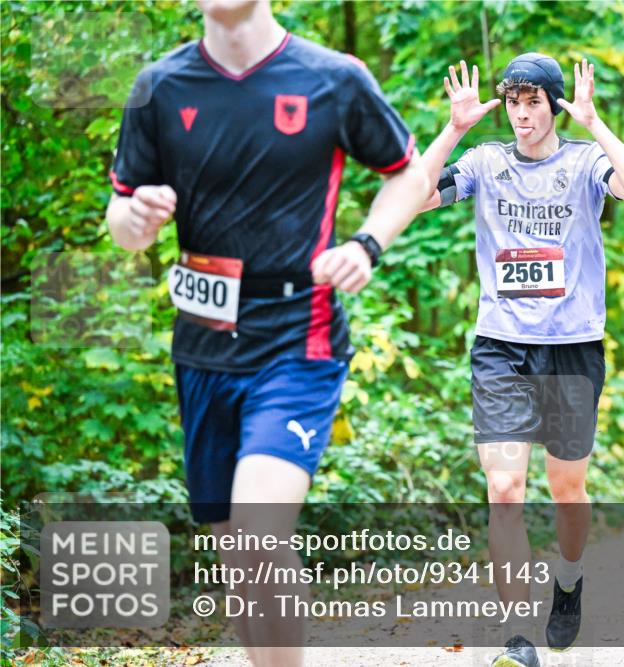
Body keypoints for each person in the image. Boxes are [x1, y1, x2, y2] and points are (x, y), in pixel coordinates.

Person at [105, 2, 428, 665]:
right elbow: (121, 213)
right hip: (202, 340)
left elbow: (409, 172)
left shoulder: (334, 78)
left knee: (257, 534)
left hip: (296, 336)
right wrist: (136, 216)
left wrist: (367, 244)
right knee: (233, 546)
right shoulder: (158, 87)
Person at [418, 55, 624, 666]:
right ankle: (515, 637)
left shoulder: (582, 162)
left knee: (566, 488)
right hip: (500, 345)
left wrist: (596, 122)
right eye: (514, 103)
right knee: (504, 489)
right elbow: (416, 199)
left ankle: (570, 579)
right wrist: (452, 130)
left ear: (554, 105)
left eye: (534, 103)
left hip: (573, 346)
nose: (523, 115)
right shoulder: (484, 162)